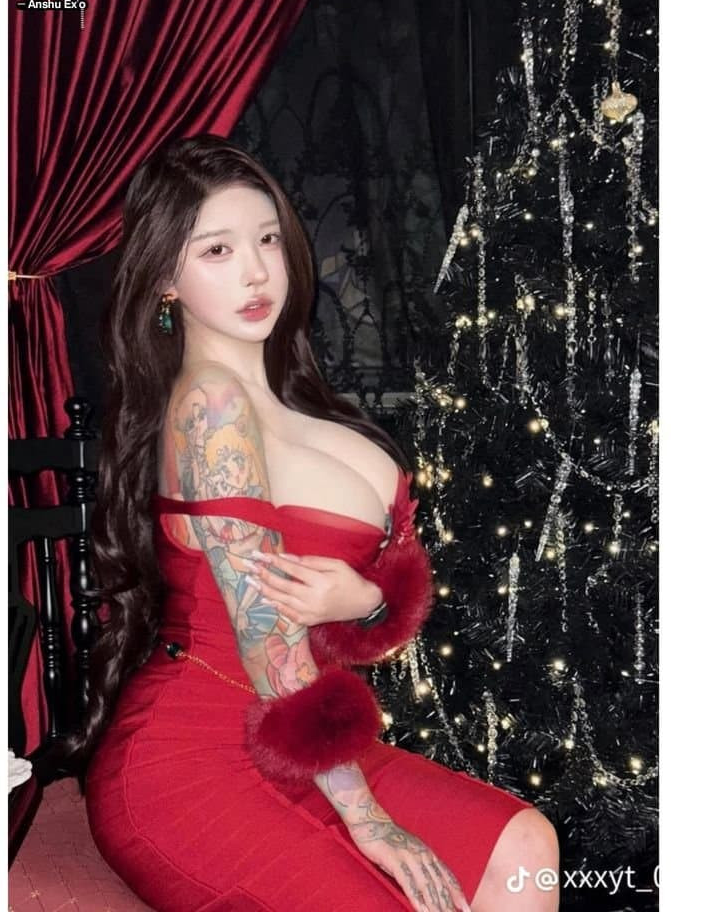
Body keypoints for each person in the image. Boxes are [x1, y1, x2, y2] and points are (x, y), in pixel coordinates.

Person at [63, 134, 559, 912]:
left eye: (267, 239)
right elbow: (270, 649)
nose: (257, 271)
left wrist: (367, 600)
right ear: (165, 278)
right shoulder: (211, 409)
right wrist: (369, 821)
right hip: (189, 761)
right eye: (218, 250)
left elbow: (380, 599)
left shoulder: (298, 404)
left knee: (524, 846)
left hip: (306, 747)